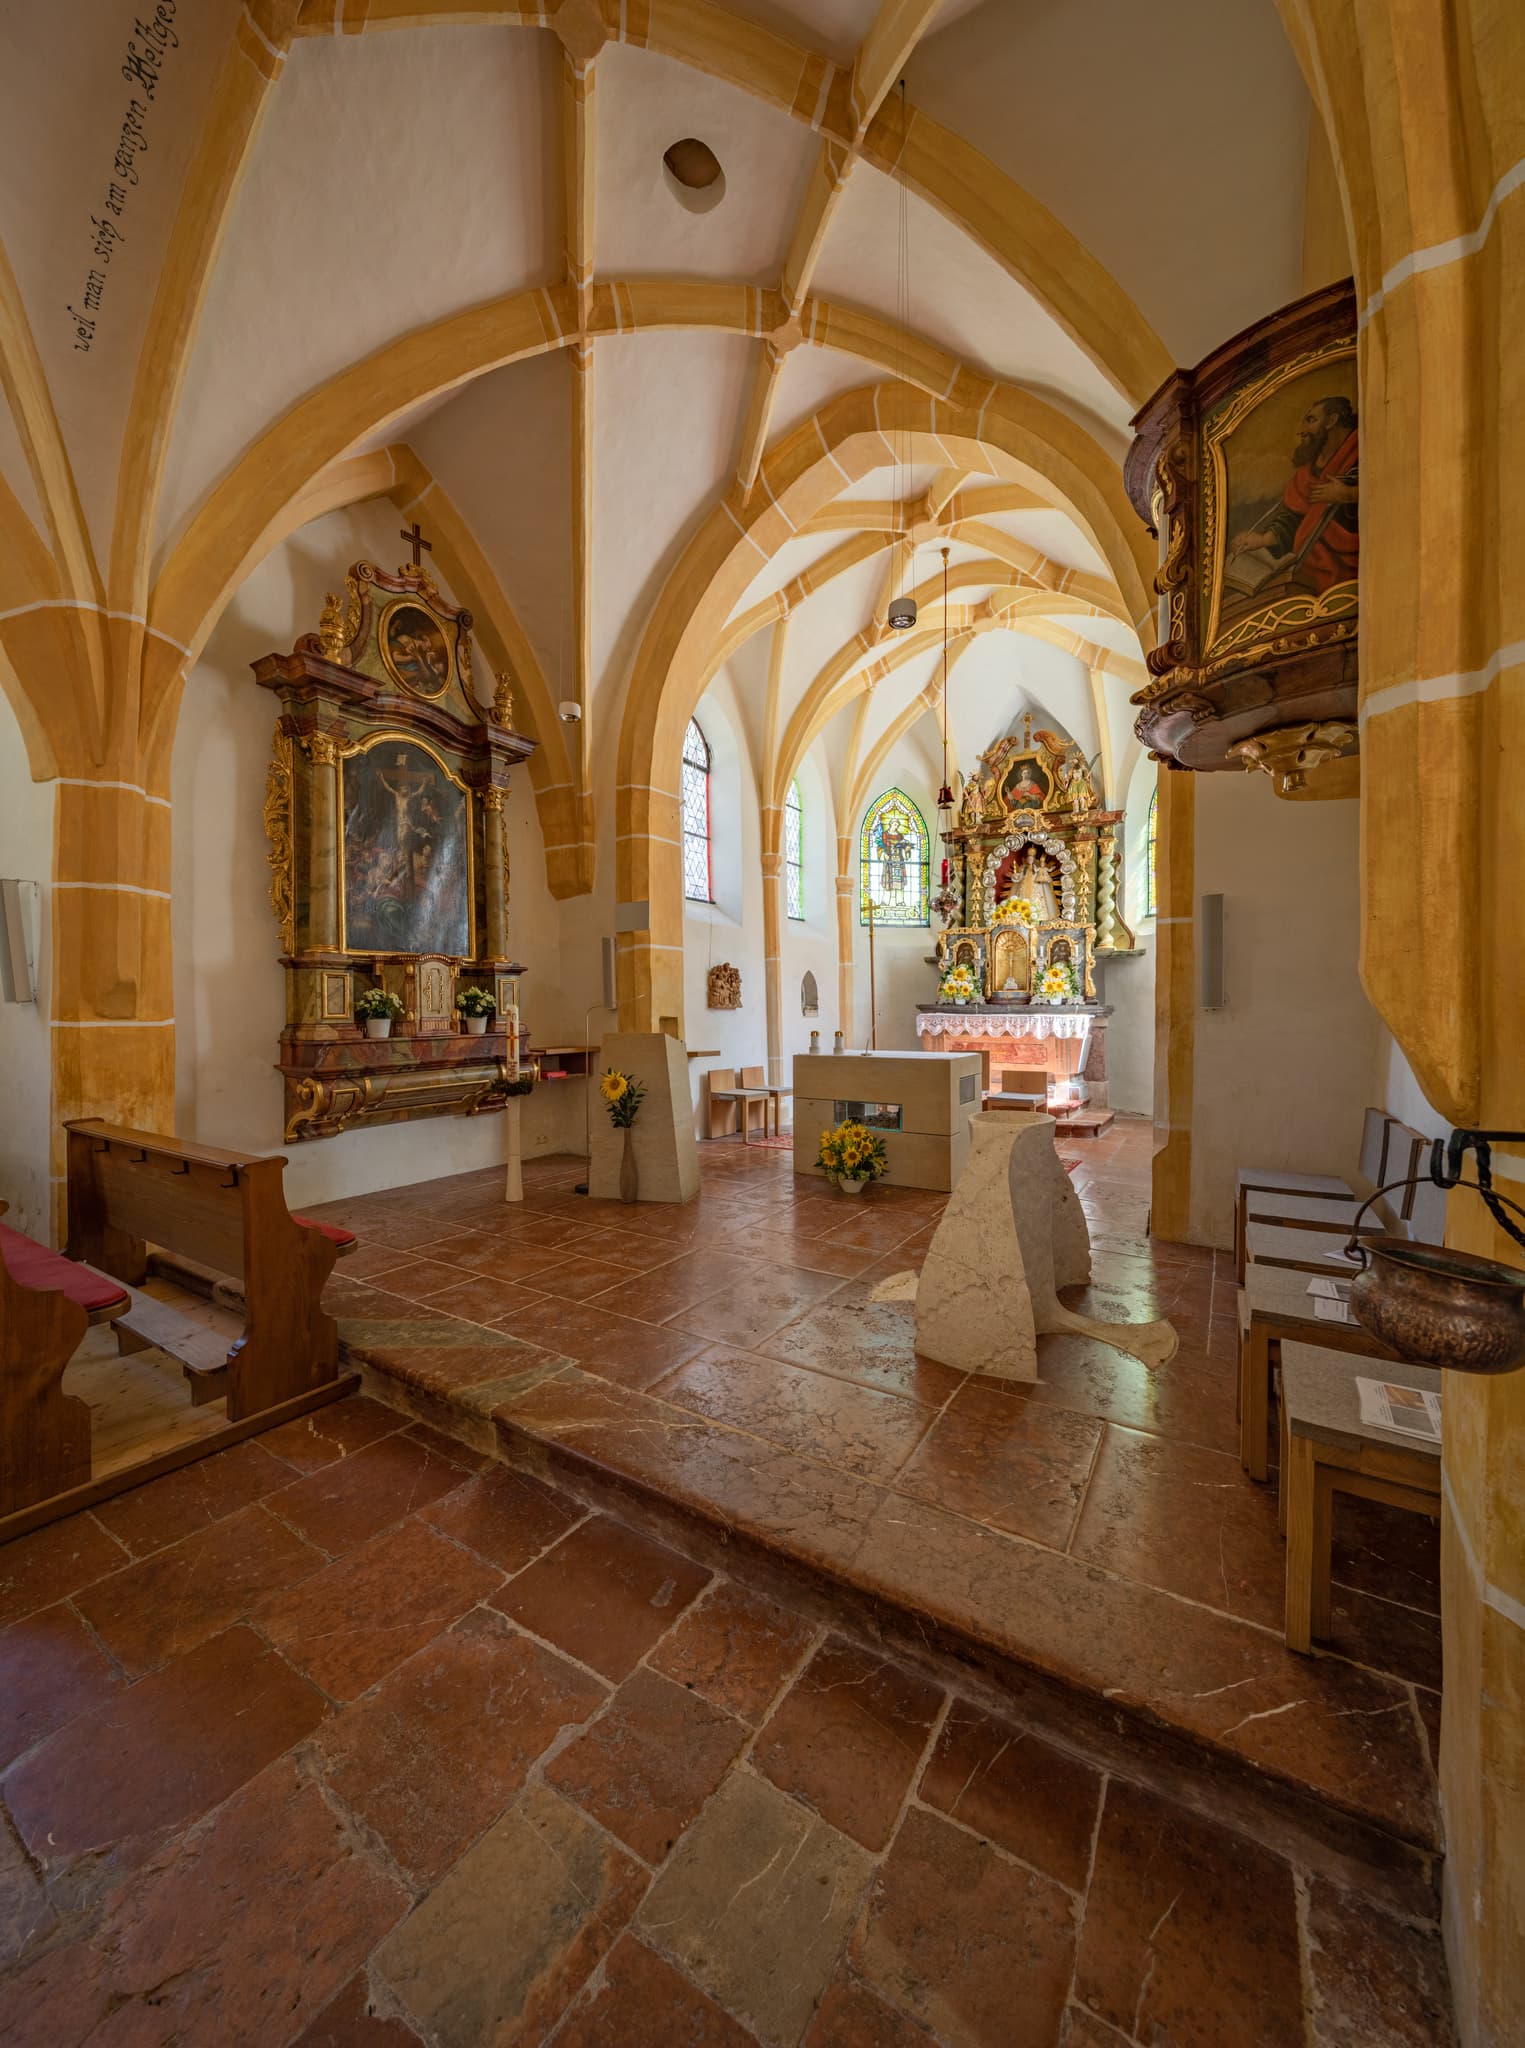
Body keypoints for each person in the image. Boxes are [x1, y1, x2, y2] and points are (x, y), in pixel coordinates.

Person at [1228, 394, 1359, 596]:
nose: (1301, 431)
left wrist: (1350, 494)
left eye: (1311, 420)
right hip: (1306, 571)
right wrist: (1262, 539)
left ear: (1332, 421)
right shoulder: (1305, 475)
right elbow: (1292, 518)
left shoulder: (1359, 450)